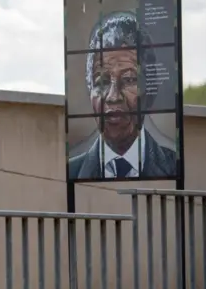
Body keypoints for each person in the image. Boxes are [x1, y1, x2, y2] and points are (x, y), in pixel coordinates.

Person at [68, 11, 176, 180]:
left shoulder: (172, 166)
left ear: (149, 89)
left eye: (128, 79)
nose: (113, 96)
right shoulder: (73, 171)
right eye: (102, 82)